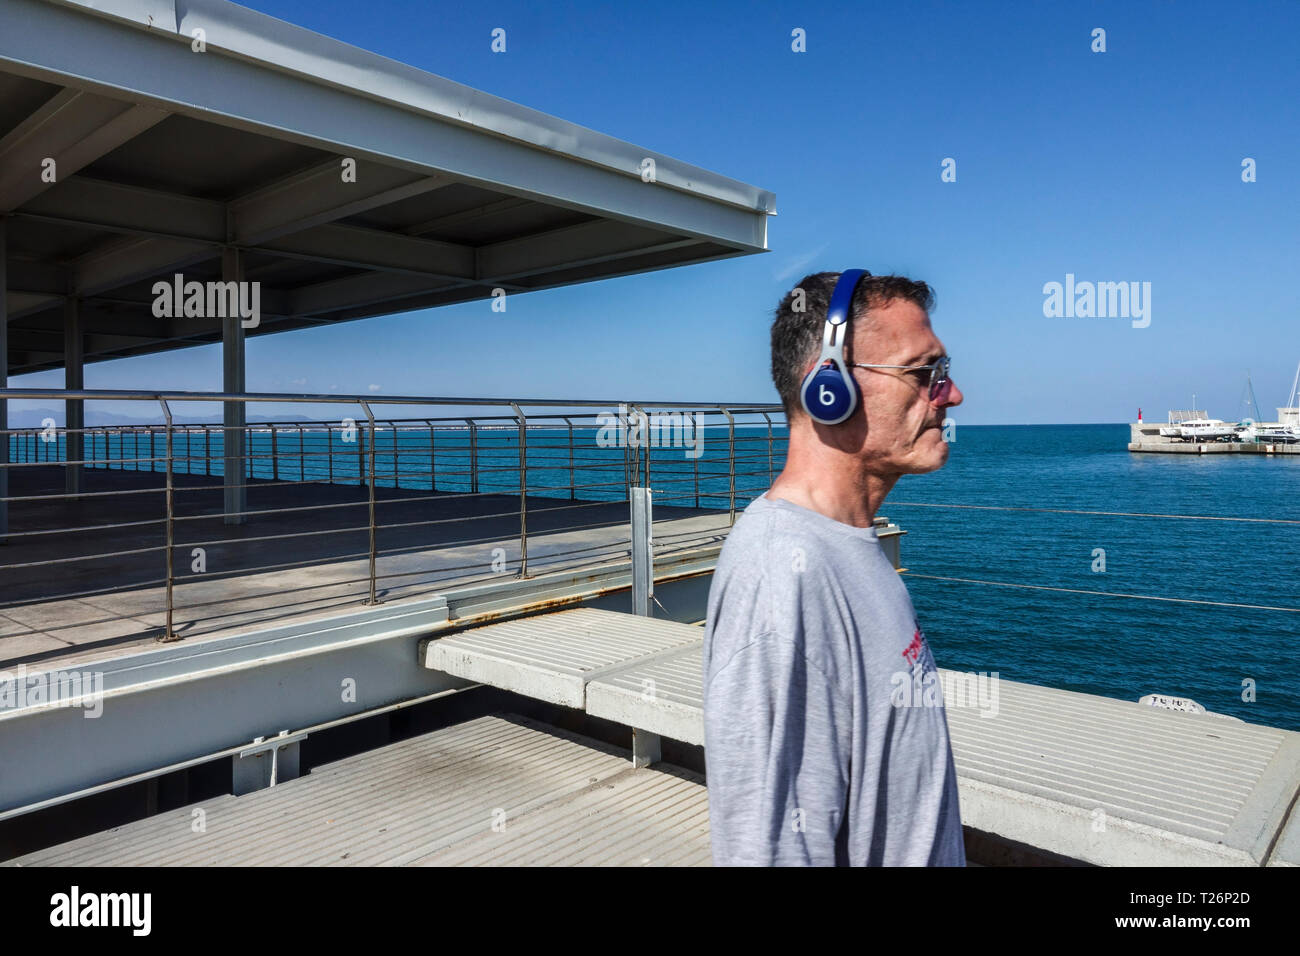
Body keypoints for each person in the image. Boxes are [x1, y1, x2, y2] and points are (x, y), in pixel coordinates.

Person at [702, 269, 967, 866]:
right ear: (829, 388)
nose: (949, 395)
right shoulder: (781, 581)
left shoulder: (847, 543)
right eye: (924, 373)